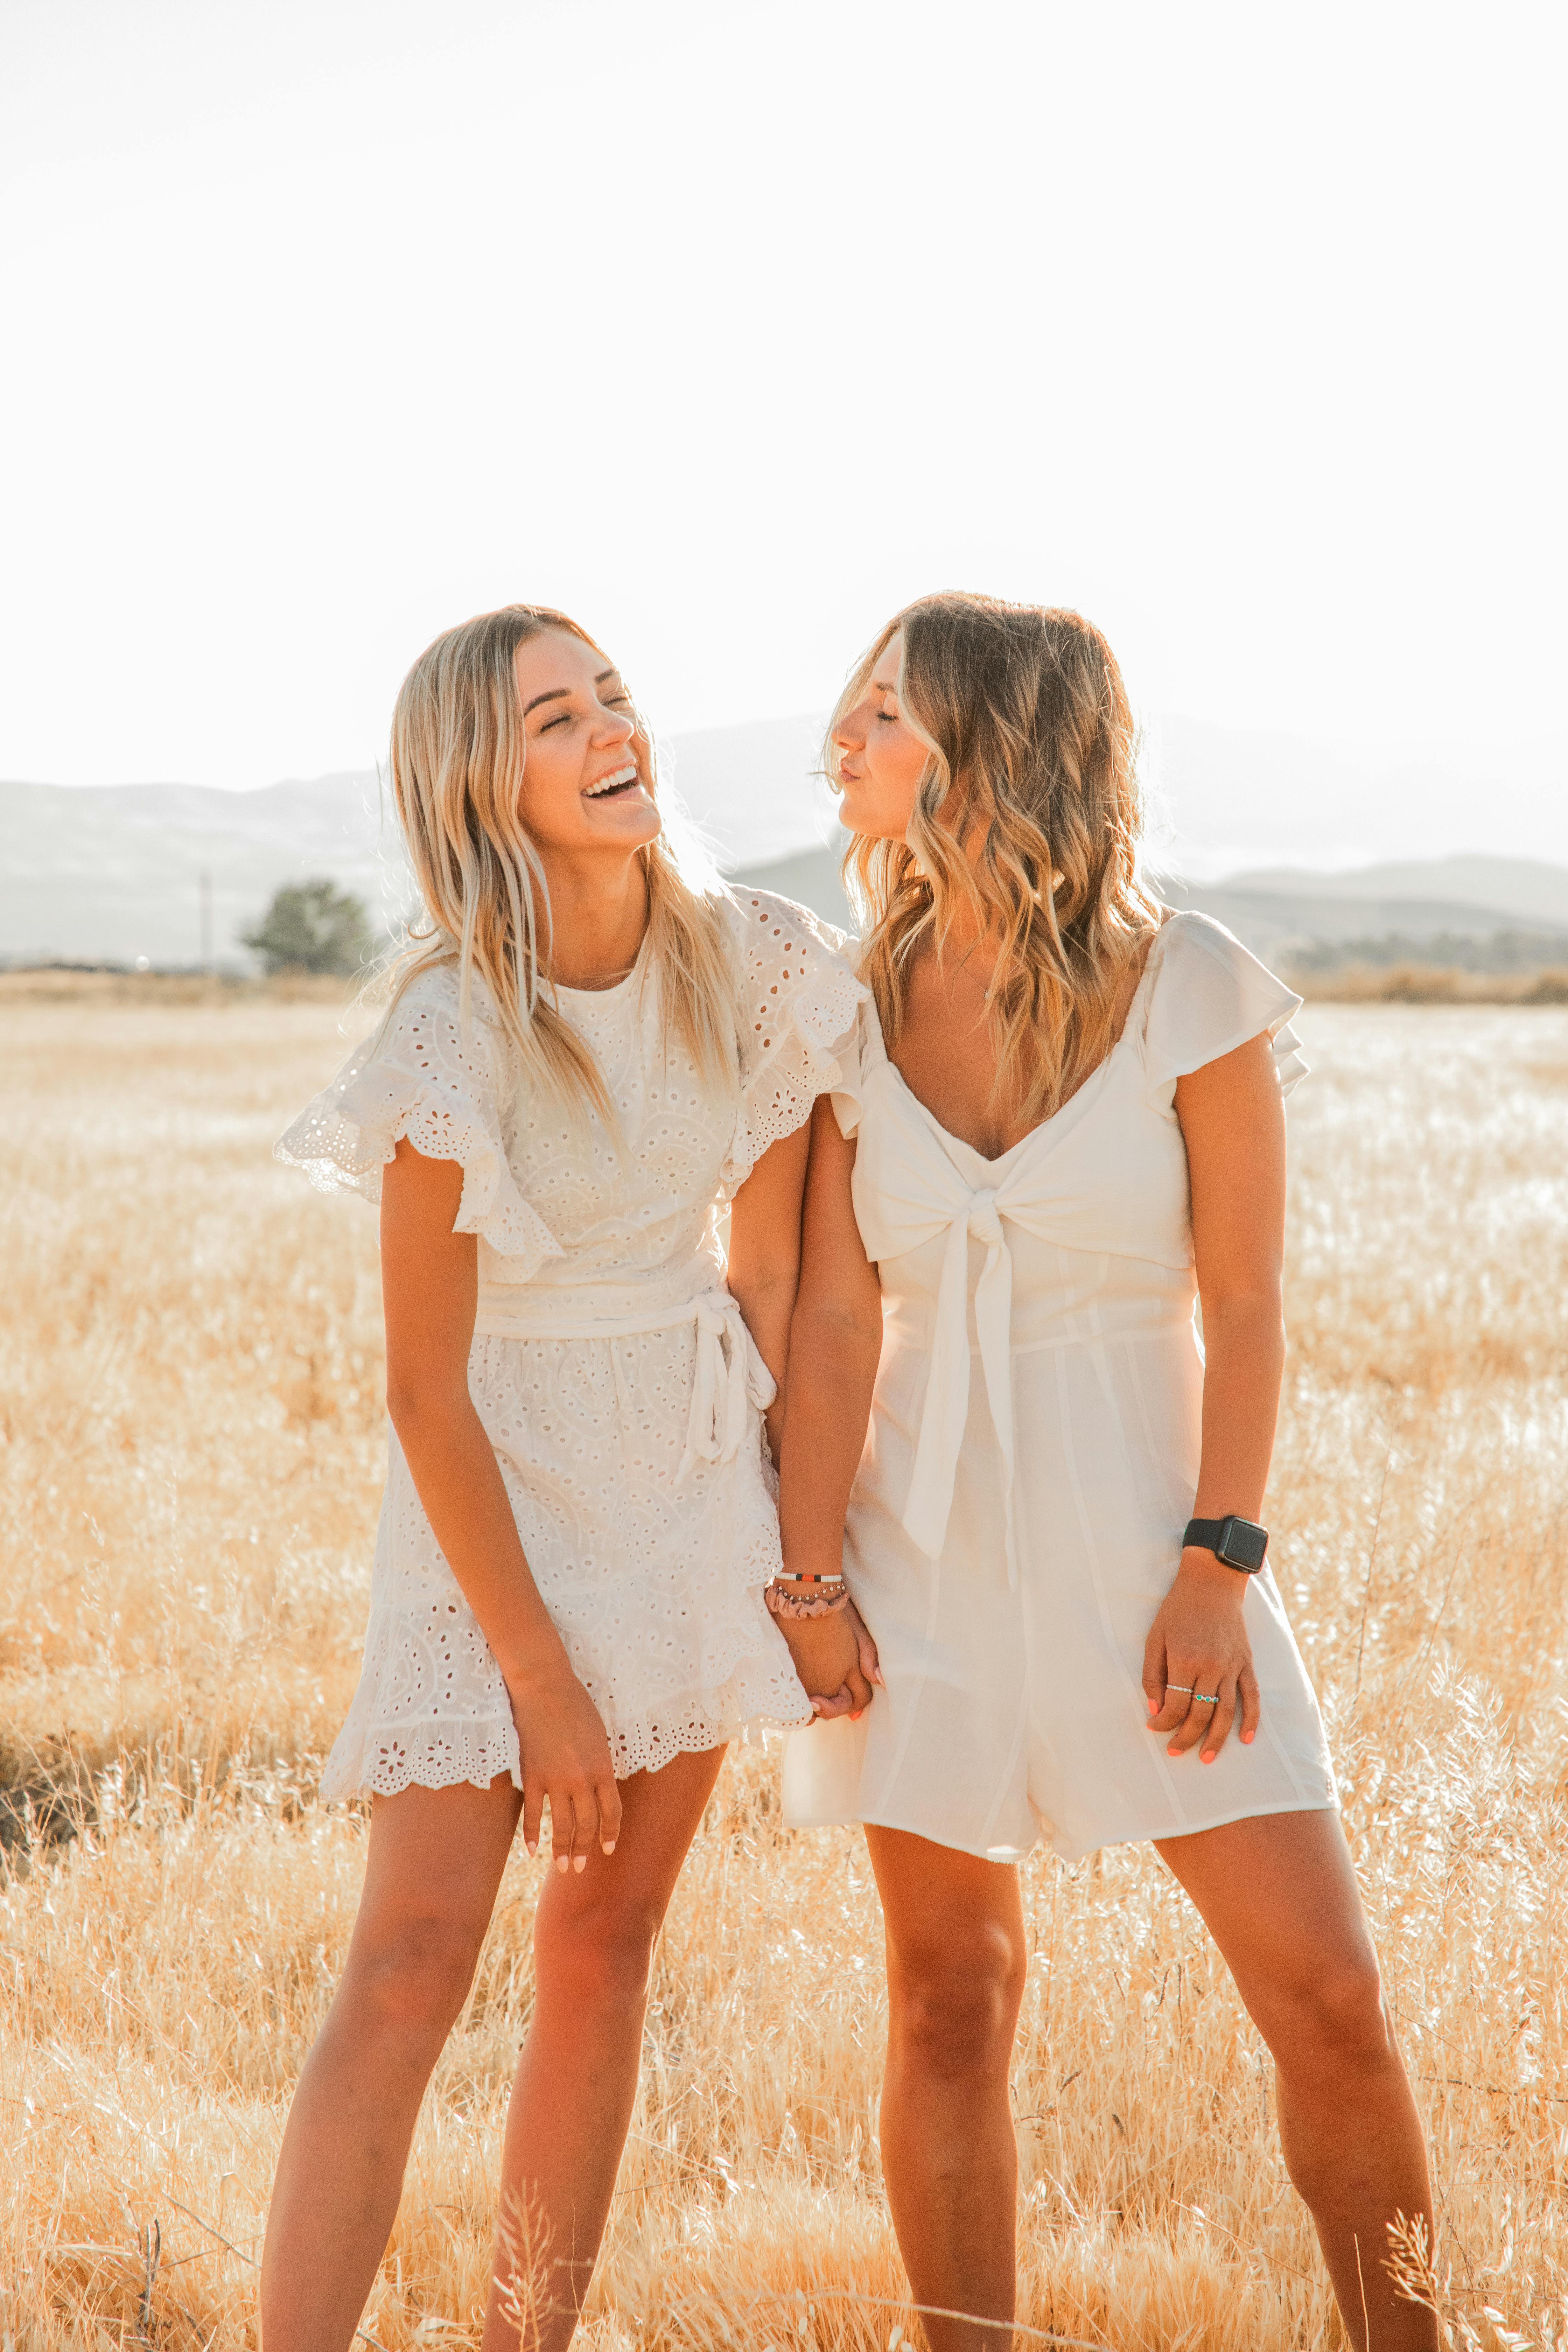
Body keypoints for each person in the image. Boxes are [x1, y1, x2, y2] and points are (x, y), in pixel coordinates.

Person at [773, 593, 1436, 2352]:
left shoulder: (1187, 985)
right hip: (914, 1545)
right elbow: (834, 1329)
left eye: (886, 715)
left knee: (1329, 1996)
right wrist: (808, 1581)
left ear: (994, 742)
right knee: (947, 1996)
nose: (843, 741)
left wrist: (1218, 1564)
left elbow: (1245, 1299)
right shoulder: (844, 1013)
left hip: (1153, 1539)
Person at [259, 603, 864, 2351]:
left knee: (602, 1956)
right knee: (409, 1962)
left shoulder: (748, 960)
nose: (612, 730)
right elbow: (423, 1390)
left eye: (613, 696)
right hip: (492, 1501)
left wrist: (800, 1573)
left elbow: (775, 1287)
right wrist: (536, 1677)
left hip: (684, 1478)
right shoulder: (451, 1030)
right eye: (554, 718)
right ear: (480, 781)